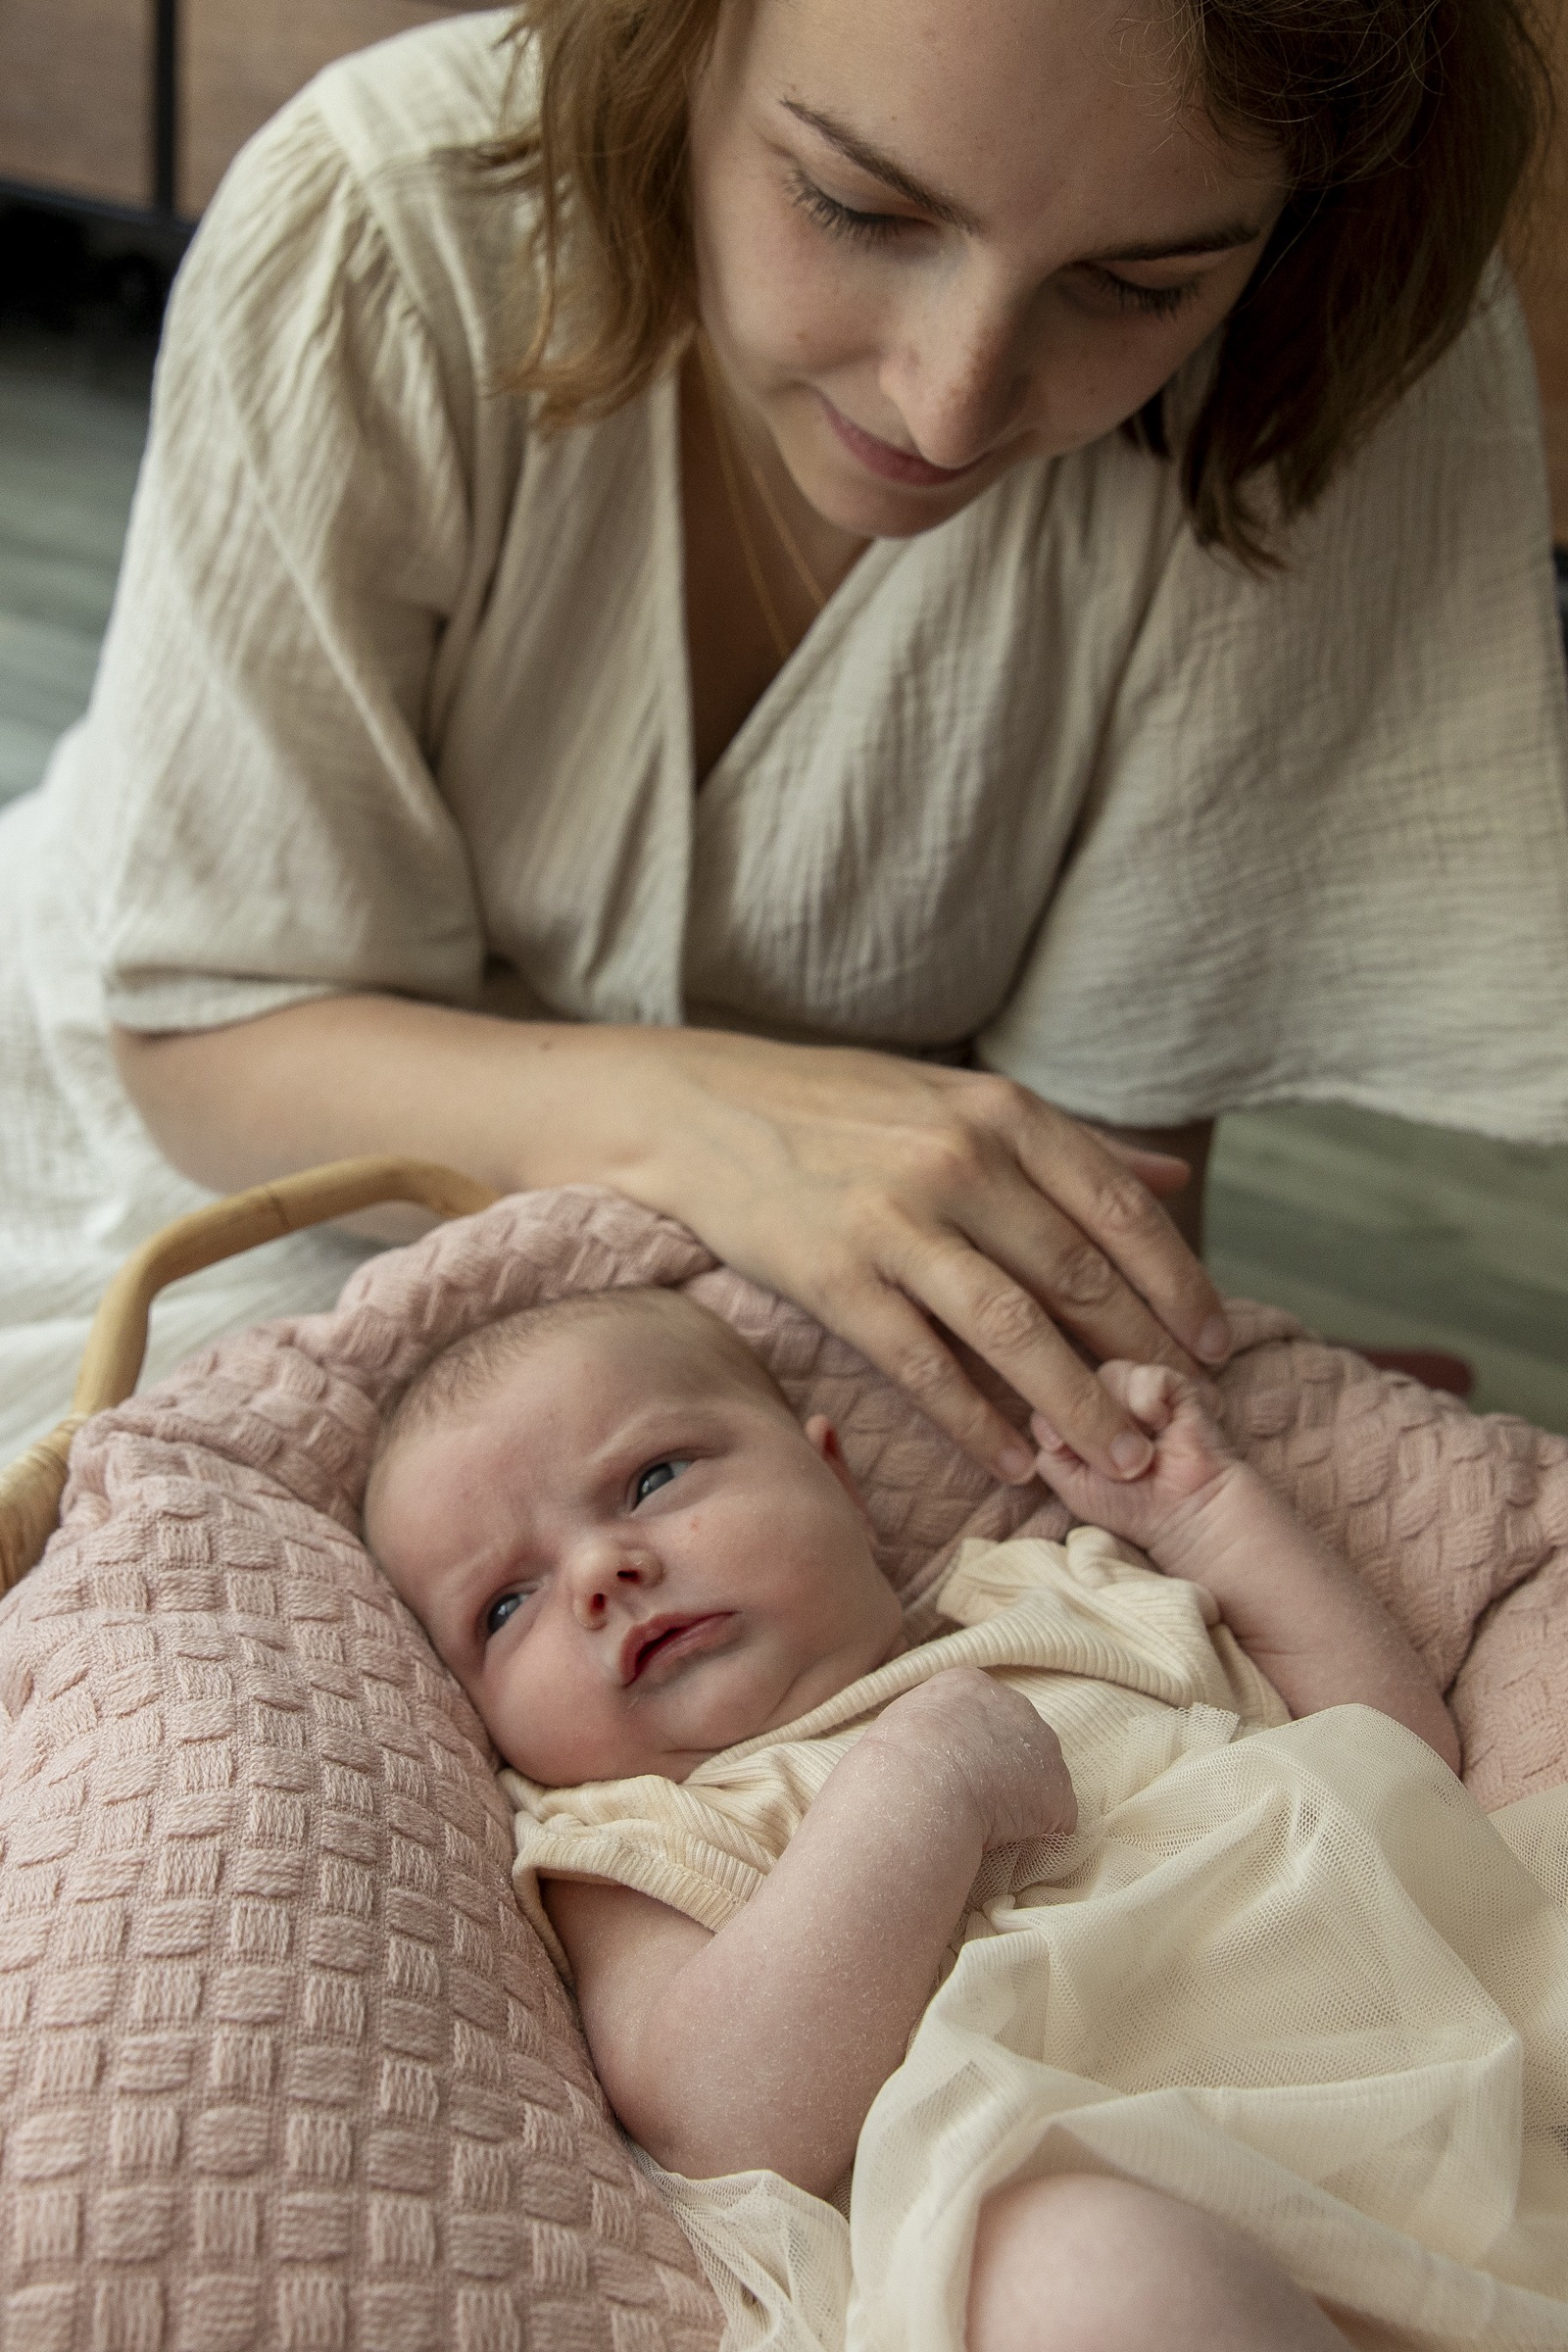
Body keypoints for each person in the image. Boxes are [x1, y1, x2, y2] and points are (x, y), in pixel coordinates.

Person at [1, 0, 1566, 1481]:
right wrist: (702, 1125)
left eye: (1140, 286)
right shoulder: (378, 236)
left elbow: (1094, 1180)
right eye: (857, 207)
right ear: (678, 32)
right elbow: (210, 1036)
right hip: (189, 1162)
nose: (949, 408)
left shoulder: (1321, 359)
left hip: (821, 1279)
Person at [360, 1285, 1568, 2352]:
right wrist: (915, 1789)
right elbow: (721, 2122)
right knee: (1067, 2273)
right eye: (505, 1605)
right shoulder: (635, 1834)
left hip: (1477, 2102)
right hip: (1151, 2242)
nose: (598, 1572)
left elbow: (1393, 1752)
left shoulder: (1052, 1598)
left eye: (652, 1479)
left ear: (831, 1476)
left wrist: (1208, 1521)